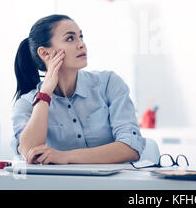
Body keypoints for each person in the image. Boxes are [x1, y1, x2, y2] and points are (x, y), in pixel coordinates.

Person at [11, 14, 145, 164]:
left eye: (81, 36)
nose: (81, 44)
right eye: (70, 38)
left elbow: (131, 147)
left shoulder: (108, 83)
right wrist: (44, 94)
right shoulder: (26, 103)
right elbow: (30, 153)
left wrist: (65, 156)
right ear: (44, 53)